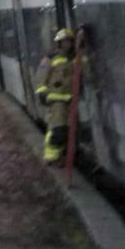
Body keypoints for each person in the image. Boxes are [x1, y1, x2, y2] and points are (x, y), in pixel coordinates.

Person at [34, 28, 77, 164]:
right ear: (58, 43)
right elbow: (41, 77)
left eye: (69, 41)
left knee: (69, 131)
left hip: (70, 100)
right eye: (63, 42)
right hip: (56, 101)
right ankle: (52, 157)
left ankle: (60, 155)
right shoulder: (51, 59)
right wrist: (42, 92)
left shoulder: (75, 58)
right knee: (57, 130)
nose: (66, 44)